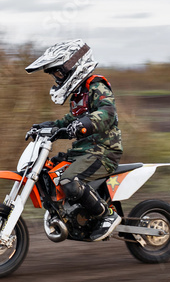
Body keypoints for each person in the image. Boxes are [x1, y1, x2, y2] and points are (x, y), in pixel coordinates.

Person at [25, 39, 123, 242]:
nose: (57, 77)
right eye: (55, 74)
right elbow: (69, 121)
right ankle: (70, 216)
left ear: (74, 66)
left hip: (103, 151)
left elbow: (107, 113)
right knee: (48, 170)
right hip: (83, 151)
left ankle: (107, 215)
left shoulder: (96, 85)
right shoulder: (78, 94)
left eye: (59, 72)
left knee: (69, 180)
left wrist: (83, 123)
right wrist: (48, 126)